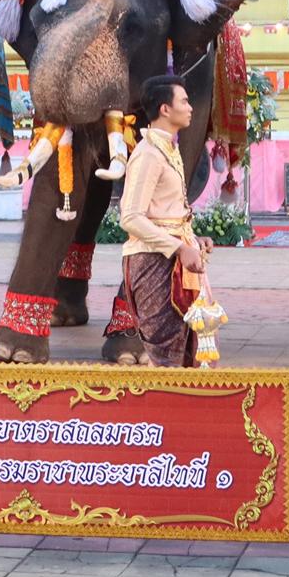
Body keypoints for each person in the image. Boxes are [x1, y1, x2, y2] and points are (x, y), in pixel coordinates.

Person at [115, 75, 204, 367]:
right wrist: (179, 248)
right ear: (165, 109)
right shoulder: (149, 154)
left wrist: (193, 240)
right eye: (184, 101)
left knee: (184, 345)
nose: (190, 107)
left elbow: (168, 212)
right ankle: (159, 410)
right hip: (153, 263)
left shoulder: (167, 149)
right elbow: (130, 217)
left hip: (173, 258)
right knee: (164, 351)